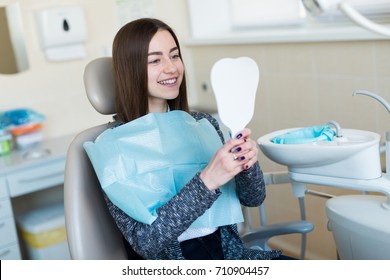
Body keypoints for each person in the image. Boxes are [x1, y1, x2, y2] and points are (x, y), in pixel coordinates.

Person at [94, 18, 287, 260]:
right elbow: (145, 242)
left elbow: (254, 198)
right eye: (155, 60)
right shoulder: (112, 147)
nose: (172, 68)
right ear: (131, 69)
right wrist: (208, 180)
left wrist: (247, 165)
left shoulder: (201, 123)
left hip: (229, 254)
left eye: (174, 56)